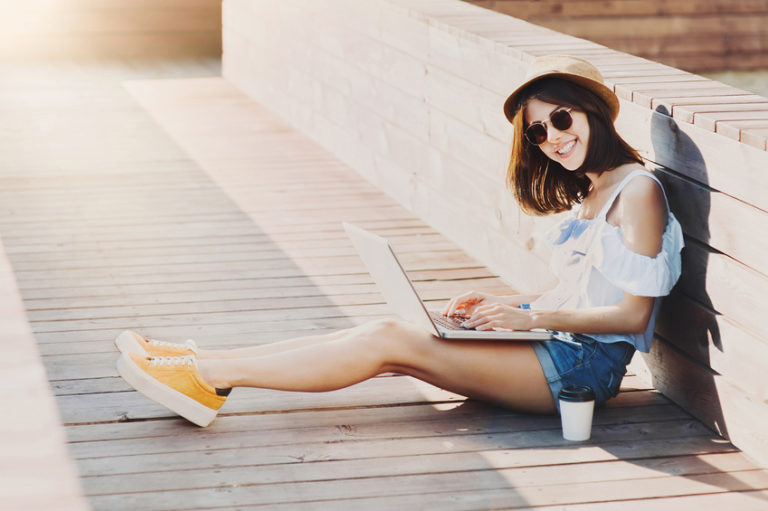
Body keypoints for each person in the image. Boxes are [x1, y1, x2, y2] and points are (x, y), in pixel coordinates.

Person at [115, 55, 684, 428]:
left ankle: (208, 377)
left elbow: (633, 314)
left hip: (580, 372)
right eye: (538, 132)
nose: (553, 138)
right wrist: (506, 306)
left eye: (561, 119)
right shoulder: (594, 190)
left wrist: (529, 321)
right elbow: (580, 289)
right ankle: (200, 363)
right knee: (382, 333)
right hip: (555, 347)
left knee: (391, 340)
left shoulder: (637, 191)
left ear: (592, 113)